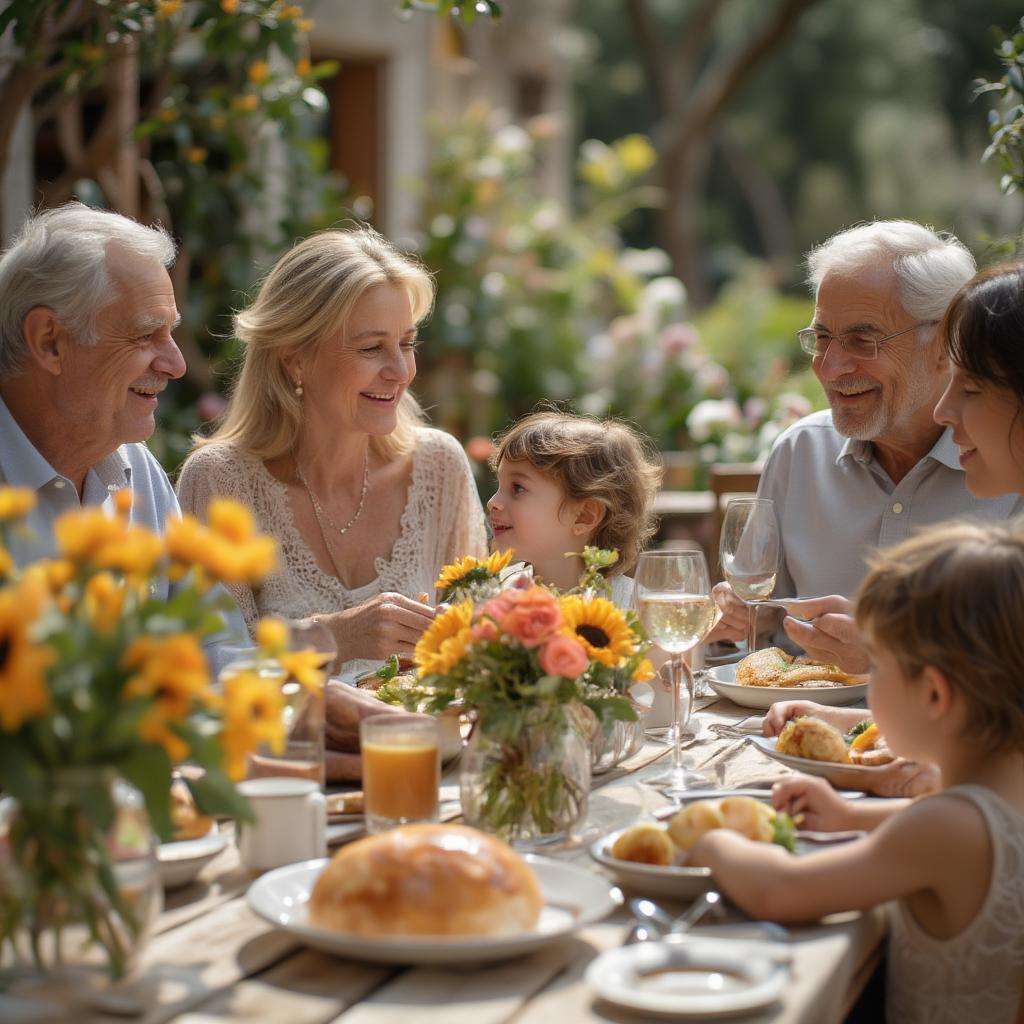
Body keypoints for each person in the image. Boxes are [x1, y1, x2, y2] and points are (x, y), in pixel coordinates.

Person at [176, 227, 487, 776]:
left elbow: (479, 647)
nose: (401, 370)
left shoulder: (439, 467)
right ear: (296, 360)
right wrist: (336, 636)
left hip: (431, 777)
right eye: (372, 348)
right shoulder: (221, 483)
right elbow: (203, 672)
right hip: (285, 793)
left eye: (407, 343)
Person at [689, 521, 1024, 1023]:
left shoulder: (944, 826)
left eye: (878, 668)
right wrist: (851, 817)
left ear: (934, 696)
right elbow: (949, 840)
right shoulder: (996, 792)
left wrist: (712, 836)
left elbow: (782, 892)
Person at [711, 221, 1022, 671]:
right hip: (794, 731)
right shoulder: (799, 453)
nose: (831, 368)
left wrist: (888, 653)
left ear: (942, 343)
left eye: (863, 340)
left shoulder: (1007, 462)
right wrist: (737, 621)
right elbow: (755, 621)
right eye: (821, 338)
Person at [763, 260, 1024, 788]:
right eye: (820, 338)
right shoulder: (800, 450)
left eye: (969, 388)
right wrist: (867, 730)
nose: (946, 411)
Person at [0, 201, 247, 673]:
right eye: (145, 335)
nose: (175, 364)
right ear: (50, 340)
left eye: (170, 332)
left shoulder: (134, 466)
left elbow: (213, 646)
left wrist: (305, 699)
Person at [486, 409, 662, 604]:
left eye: (517, 488)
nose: (492, 502)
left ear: (584, 516)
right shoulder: (490, 599)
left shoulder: (635, 610)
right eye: (499, 485)